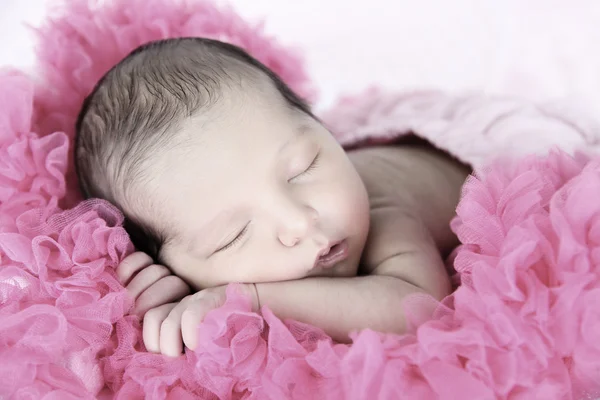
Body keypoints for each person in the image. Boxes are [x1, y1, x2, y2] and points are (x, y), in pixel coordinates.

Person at [75, 37, 470, 357]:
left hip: (465, 156)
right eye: (234, 234)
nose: (300, 221)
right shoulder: (193, 253)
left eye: (304, 168)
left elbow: (419, 307)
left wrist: (252, 298)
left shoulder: (381, 208)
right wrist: (174, 293)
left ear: (321, 127)